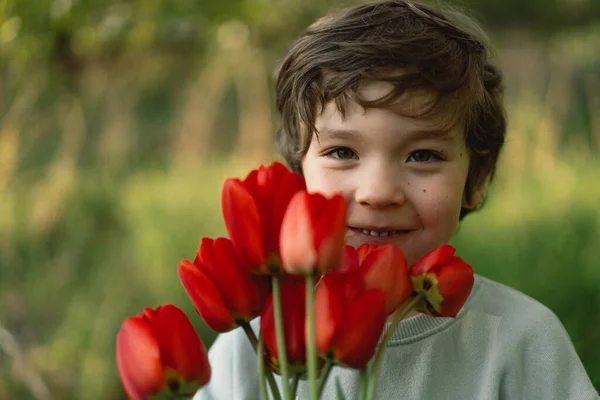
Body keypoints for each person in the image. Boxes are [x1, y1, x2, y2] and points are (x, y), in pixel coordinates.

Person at [195, 1, 599, 398]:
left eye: (423, 155)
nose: (378, 192)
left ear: (476, 180)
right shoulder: (260, 338)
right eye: (342, 152)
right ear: (299, 178)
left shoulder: (521, 337)